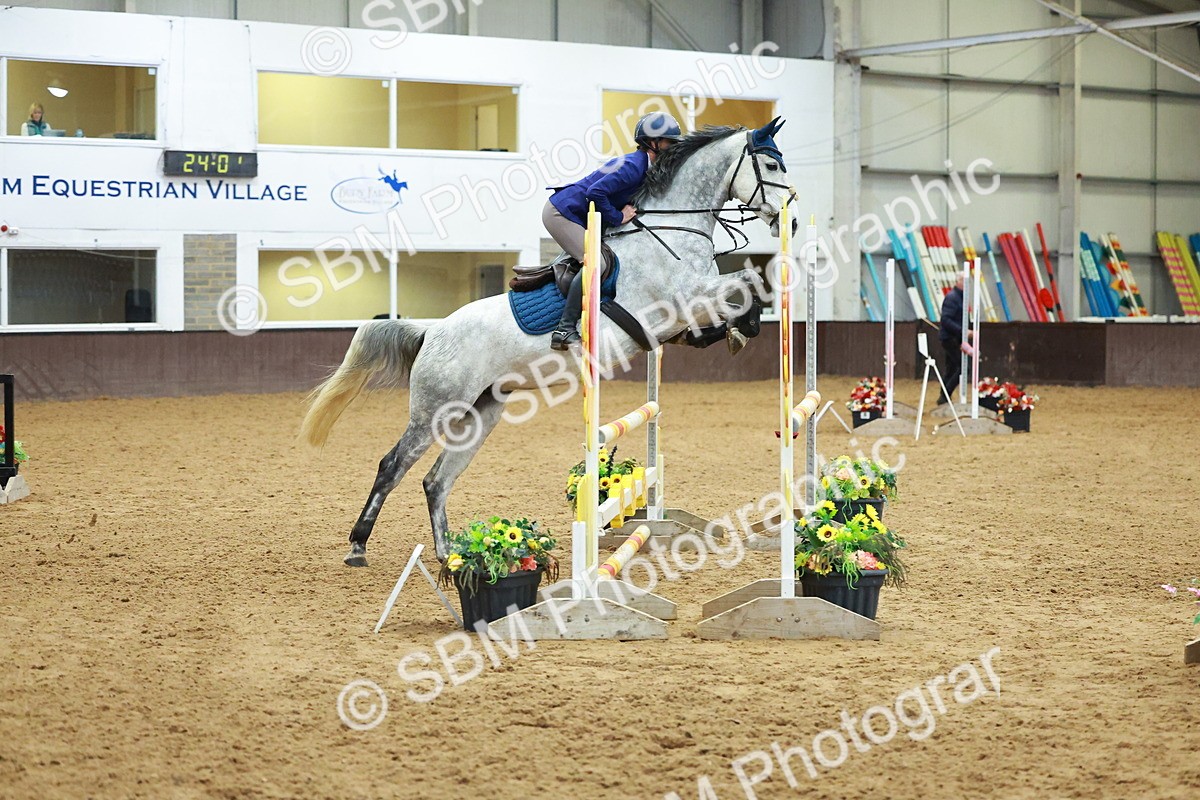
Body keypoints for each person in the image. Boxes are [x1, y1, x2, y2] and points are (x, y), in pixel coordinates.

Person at [543, 111, 683, 350]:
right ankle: (564, 329)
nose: (672, 148)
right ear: (653, 143)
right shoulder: (632, 166)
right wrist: (619, 217)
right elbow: (594, 193)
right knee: (597, 262)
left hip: (580, 215)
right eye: (669, 143)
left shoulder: (645, 168)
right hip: (560, 212)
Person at [937, 274, 971, 404]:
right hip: (950, 338)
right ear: (957, 281)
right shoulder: (952, 298)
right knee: (963, 367)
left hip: (954, 337)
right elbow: (945, 319)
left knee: (951, 368)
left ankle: (944, 396)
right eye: (963, 280)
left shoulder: (960, 298)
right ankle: (946, 393)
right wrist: (963, 331)